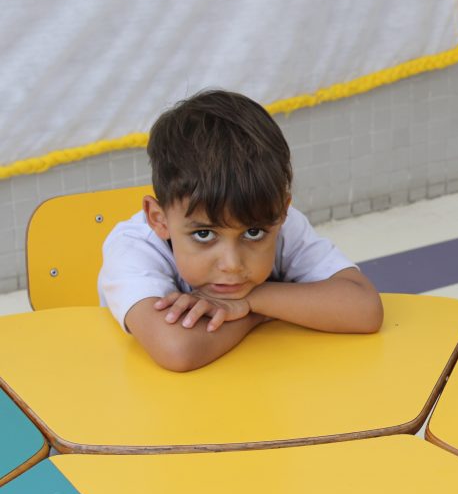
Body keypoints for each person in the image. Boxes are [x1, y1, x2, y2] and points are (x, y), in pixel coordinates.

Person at [99, 89, 383, 372]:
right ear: (158, 220)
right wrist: (261, 314)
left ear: (282, 211)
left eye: (253, 233)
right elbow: (177, 350)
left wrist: (251, 301)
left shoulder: (277, 222)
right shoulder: (133, 247)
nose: (232, 264)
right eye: (204, 235)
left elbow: (365, 309)